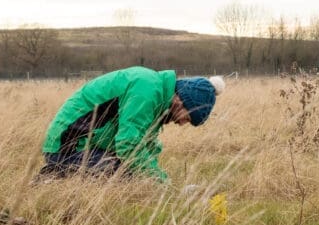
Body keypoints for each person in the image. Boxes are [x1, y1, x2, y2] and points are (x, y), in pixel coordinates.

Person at [38, 66, 224, 180]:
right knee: (125, 175)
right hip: (67, 147)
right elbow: (128, 145)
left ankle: (58, 174)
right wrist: (158, 182)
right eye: (188, 117)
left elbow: (146, 147)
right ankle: (54, 176)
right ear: (181, 100)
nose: (183, 123)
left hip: (87, 146)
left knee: (134, 173)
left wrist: (157, 177)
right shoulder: (147, 90)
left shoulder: (157, 98)